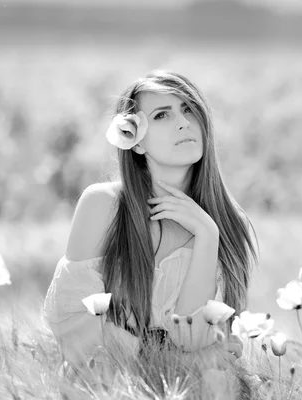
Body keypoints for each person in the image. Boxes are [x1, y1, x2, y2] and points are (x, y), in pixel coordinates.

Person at [42, 70, 259, 385]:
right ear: (136, 142)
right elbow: (81, 339)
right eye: (162, 115)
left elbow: (195, 344)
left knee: (216, 380)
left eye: (188, 110)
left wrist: (206, 236)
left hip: (189, 388)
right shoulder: (103, 206)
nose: (183, 122)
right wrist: (180, 360)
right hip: (108, 384)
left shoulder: (225, 223)